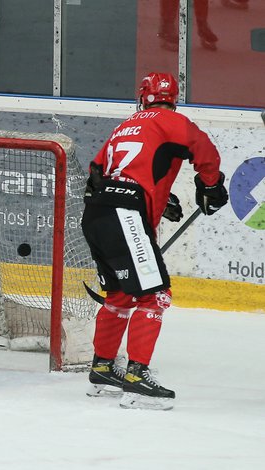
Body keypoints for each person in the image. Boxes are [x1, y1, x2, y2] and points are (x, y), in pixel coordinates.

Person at [82, 72, 228, 410]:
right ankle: (136, 376)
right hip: (126, 214)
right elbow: (203, 148)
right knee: (155, 296)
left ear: (142, 96)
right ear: (173, 97)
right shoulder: (172, 120)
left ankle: (103, 369)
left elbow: (97, 172)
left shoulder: (126, 126)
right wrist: (210, 185)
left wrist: (158, 201)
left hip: (97, 212)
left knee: (119, 295)